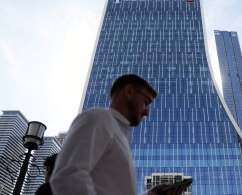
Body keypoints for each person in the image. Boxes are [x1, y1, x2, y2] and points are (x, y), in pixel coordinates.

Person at [50, 74, 188, 195]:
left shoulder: (120, 134)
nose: (147, 112)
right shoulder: (98, 118)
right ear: (128, 92)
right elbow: (68, 177)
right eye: (146, 102)